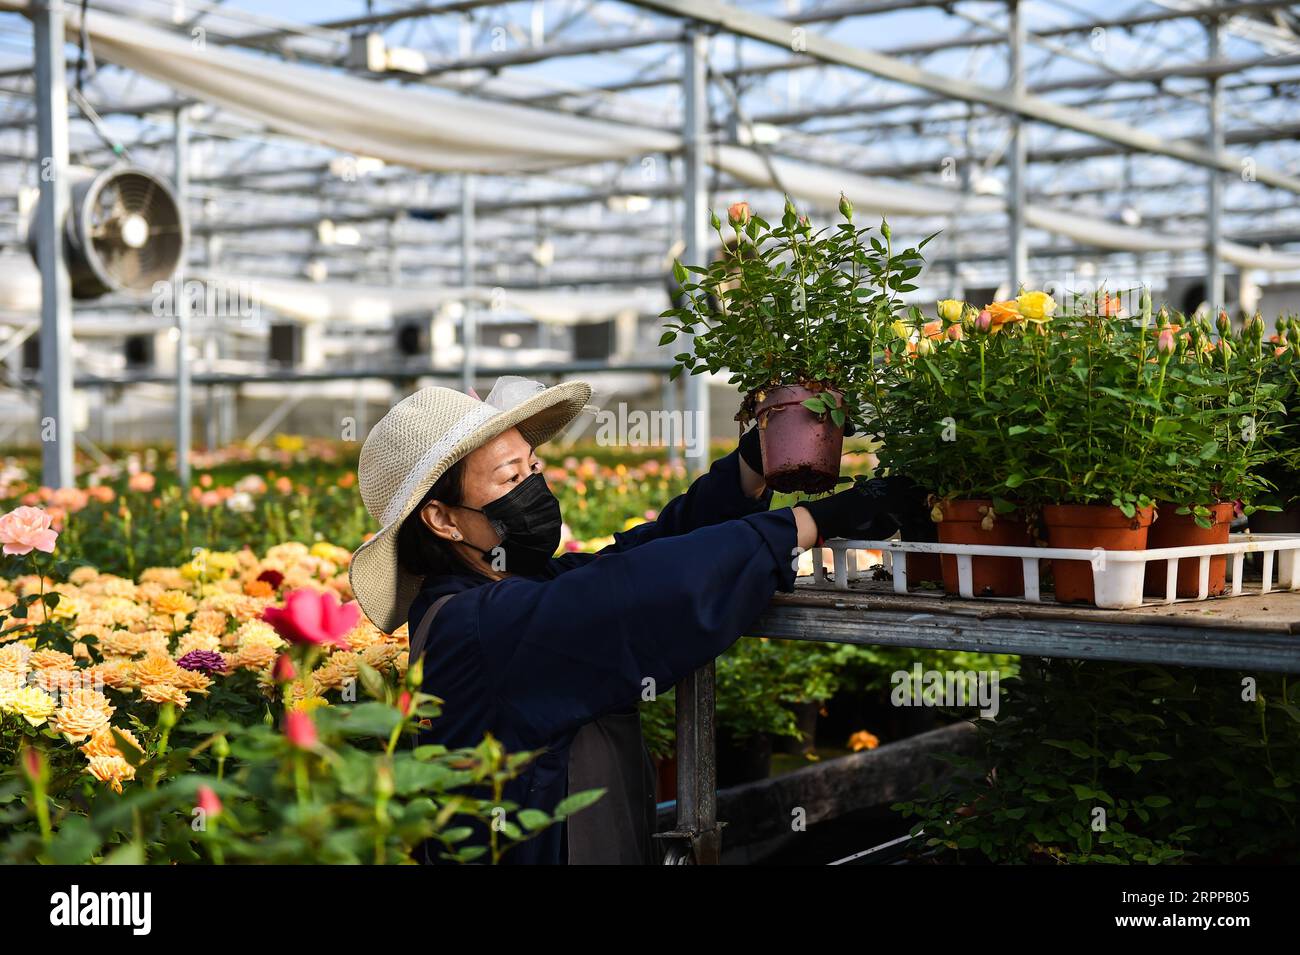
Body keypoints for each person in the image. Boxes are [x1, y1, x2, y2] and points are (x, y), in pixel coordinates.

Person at [348, 375, 926, 864]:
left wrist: (752, 466)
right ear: (443, 520)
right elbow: (640, 589)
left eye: (534, 466)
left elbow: (644, 552)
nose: (535, 487)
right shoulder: (473, 627)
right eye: (509, 479)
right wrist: (809, 521)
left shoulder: (520, 584)